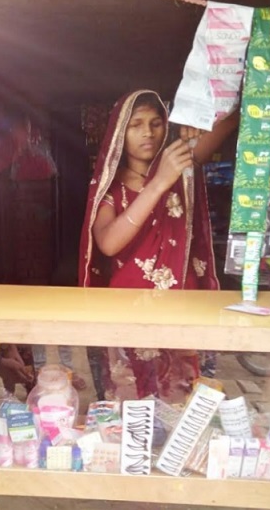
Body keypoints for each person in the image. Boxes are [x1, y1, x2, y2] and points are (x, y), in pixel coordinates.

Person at [78, 89, 238, 399]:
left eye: (156, 122)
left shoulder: (180, 167)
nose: (147, 133)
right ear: (118, 133)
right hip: (127, 315)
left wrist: (196, 119)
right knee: (130, 406)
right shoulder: (111, 189)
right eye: (135, 124)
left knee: (178, 400)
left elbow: (231, 116)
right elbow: (108, 243)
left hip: (179, 310)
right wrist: (159, 183)